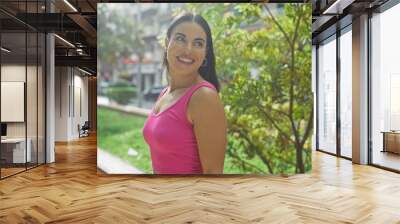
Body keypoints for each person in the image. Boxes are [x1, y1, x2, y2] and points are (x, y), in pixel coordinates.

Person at [142, 12, 227, 174]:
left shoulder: (204, 97)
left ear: (205, 53)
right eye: (181, 39)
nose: (188, 50)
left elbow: (213, 173)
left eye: (198, 43)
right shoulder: (165, 93)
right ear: (167, 43)